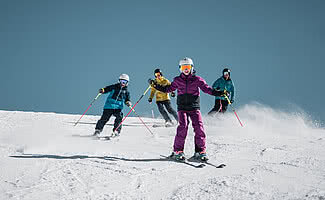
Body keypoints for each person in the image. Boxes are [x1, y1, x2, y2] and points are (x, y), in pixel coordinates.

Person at [149, 57, 225, 161]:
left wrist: (218, 92)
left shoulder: (197, 79)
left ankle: (200, 151)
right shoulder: (177, 80)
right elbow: (167, 89)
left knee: (199, 127)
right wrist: (156, 85)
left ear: (192, 68)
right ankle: (178, 151)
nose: (186, 69)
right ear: (180, 68)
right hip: (182, 107)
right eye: (184, 67)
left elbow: (207, 89)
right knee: (183, 127)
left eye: (188, 67)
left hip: (194, 107)